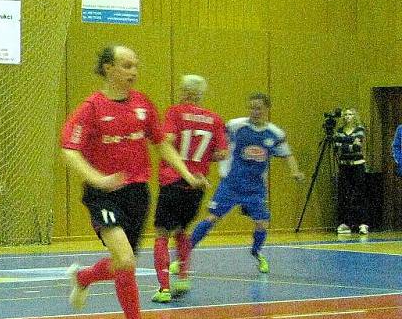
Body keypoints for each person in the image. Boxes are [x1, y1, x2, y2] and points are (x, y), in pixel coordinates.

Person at [61, 45, 206, 319]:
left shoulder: (143, 104)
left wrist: (187, 173)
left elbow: (162, 144)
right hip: (103, 194)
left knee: (122, 265)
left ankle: (84, 277)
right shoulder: (91, 107)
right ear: (109, 68)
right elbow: (69, 150)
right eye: (126, 66)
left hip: (137, 194)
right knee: (125, 260)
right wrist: (97, 178)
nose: (133, 72)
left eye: (135, 66)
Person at [185, 93, 304, 274]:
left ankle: (257, 253)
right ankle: (184, 254)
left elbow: (287, 154)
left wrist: (295, 171)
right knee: (211, 218)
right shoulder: (236, 126)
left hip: (255, 188)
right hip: (231, 184)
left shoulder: (275, 133)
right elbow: (216, 138)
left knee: (262, 222)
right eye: (252, 107)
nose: (254, 111)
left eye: (258, 108)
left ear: (266, 109)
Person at [151, 75, 228, 303]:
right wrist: (202, 160)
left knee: (162, 233)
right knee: (182, 231)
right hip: (197, 183)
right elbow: (222, 153)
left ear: (185, 91)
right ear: (201, 95)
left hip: (172, 180)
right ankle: (183, 276)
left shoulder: (175, 112)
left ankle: (164, 288)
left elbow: (168, 140)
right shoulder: (214, 119)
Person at [333, 109, 369, 235]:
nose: (348, 117)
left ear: (354, 116)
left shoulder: (360, 129)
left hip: (358, 165)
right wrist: (349, 144)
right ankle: (345, 223)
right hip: (344, 165)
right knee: (344, 194)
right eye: (346, 114)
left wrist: (345, 144)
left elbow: (357, 146)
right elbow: (336, 146)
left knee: (360, 194)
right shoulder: (339, 130)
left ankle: (363, 223)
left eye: (350, 114)